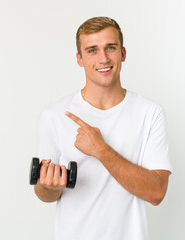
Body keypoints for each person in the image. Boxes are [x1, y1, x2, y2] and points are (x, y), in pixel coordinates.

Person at [34, 16, 172, 240]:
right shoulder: (55, 115)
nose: (103, 58)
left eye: (110, 48)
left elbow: (156, 192)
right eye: (92, 50)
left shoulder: (149, 112)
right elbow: (43, 193)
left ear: (123, 53)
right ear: (79, 59)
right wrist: (51, 186)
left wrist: (100, 149)